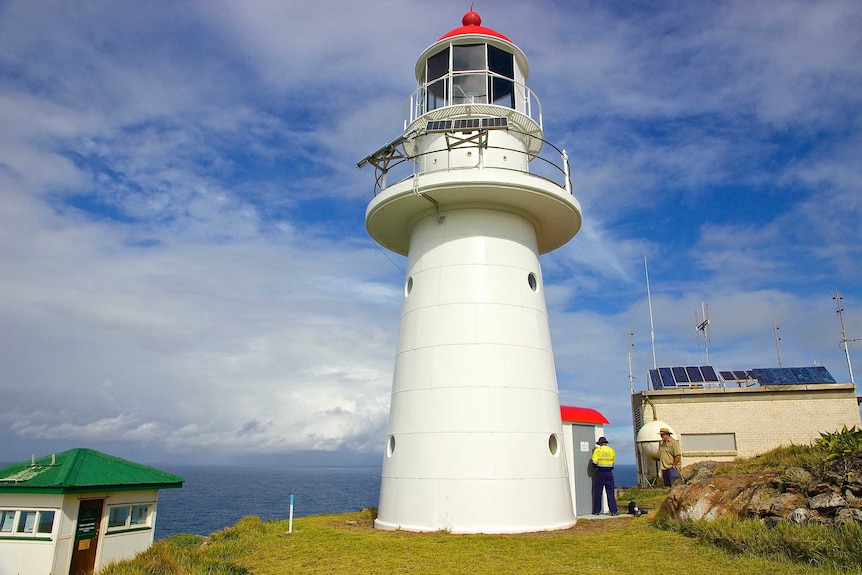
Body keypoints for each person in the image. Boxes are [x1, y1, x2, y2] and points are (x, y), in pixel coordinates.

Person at [591, 436, 617, 515]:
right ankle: (613, 511)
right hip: (609, 472)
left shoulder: (597, 450)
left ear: (600, 444)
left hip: (600, 472)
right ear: (606, 443)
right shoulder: (611, 450)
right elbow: (613, 463)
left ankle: (596, 511)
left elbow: (594, 462)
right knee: (610, 493)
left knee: (598, 492)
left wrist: (596, 467)